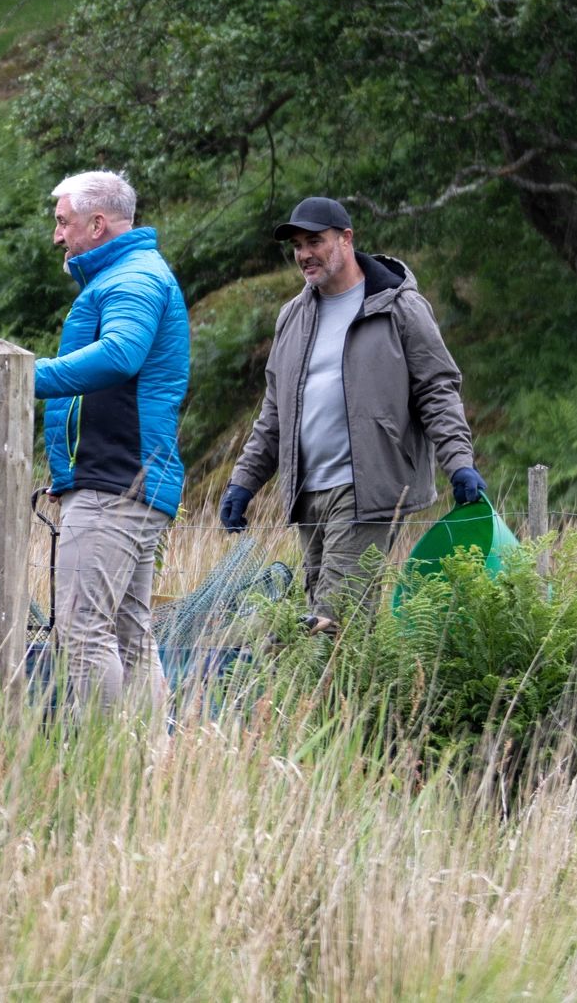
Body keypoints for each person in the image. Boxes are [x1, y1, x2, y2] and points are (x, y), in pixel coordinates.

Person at [220, 196, 485, 631]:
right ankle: (358, 695)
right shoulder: (293, 316)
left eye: (314, 241)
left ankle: (330, 696)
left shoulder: (398, 306)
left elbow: (438, 390)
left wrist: (459, 463)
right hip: (308, 492)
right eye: (297, 246)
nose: (304, 254)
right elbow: (274, 412)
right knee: (328, 619)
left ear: (346, 239)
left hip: (368, 488)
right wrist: (243, 483)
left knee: (332, 618)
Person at [34, 170, 191, 717]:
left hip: (116, 480)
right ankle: (143, 773)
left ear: (97, 224)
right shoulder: (129, 274)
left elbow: (121, 354)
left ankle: (103, 770)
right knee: (129, 635)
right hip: (122, 479)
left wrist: (26, 376)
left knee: (83, 633)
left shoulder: (132, 279)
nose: (57, 236)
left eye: (63, 222)